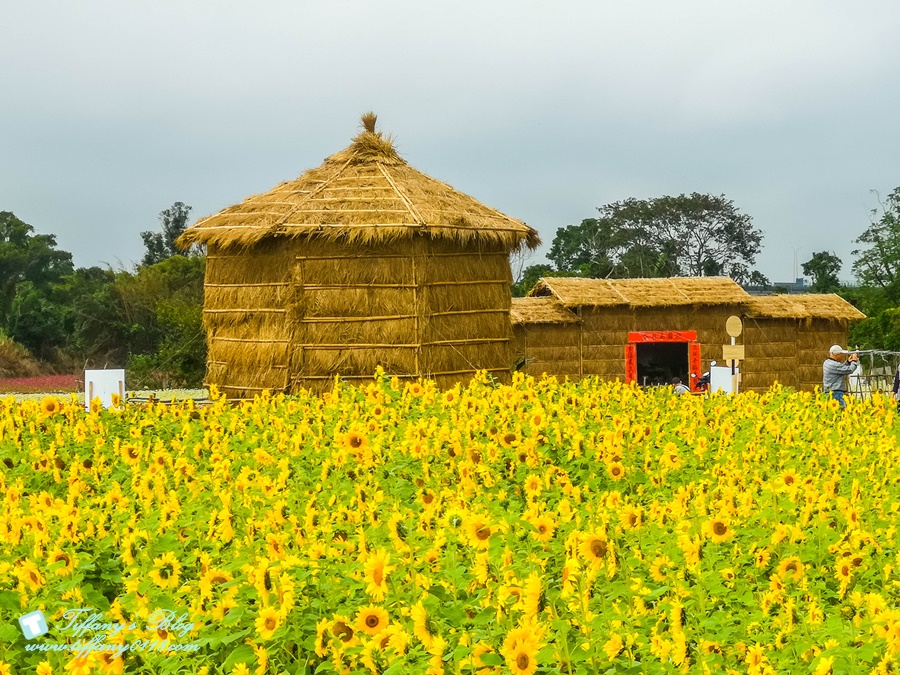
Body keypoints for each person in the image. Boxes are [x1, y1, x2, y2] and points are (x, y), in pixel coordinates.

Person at [822, 344, 859, 409]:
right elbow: (849, 370)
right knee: (841, 411)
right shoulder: (833, 364)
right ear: (836, 354)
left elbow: (839, 369)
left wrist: (848, 362)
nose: (842, 356)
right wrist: (854, 361)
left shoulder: (827, 362)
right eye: (841, 354)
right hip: (836, 393)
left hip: (830, 392)